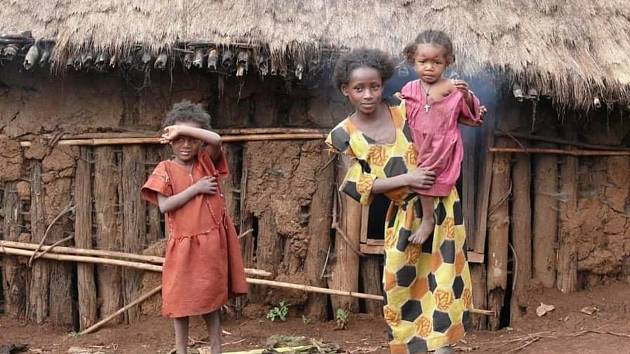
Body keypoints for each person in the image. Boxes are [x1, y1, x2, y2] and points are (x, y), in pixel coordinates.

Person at [326, 48, 475, 353]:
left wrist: (463, 96)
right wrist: (408, 179)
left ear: (383, 84)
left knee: (443, 277)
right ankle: (414, 346)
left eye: (375, 86)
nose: (368, 95)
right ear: (346, 90)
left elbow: (445, 119)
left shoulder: (403, 107)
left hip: (443, 205)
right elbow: (358, 185)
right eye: (359, 89)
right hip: (404, 216)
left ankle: (442, 347)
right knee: (400, 283)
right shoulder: (343, 135)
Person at [141, 101, 248, 354]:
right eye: (179, 139)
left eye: (191, 138)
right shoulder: (165, 169)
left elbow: (216, 139)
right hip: (182, 246)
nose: (186, 145)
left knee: (210, 300)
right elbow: (165, 206)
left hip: (211, 245)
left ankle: (216, 349)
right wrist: (196, 189)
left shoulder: (205, 163)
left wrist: (182, 129)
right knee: (180, 301)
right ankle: (181, 350)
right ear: (169, 141)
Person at [400, 30, 483, 245]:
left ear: (447, 62)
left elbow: (471, 117)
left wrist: (466, 95)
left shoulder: (453, 88)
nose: (429, 67)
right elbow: (400, 110)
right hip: (419, 143)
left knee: (426, 173)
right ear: (413, 61)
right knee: (416, 170)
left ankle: (428, 219)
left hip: (442, 145)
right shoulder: (409, 88)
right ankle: (424, 217)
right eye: (422, 61)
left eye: (436, 62)